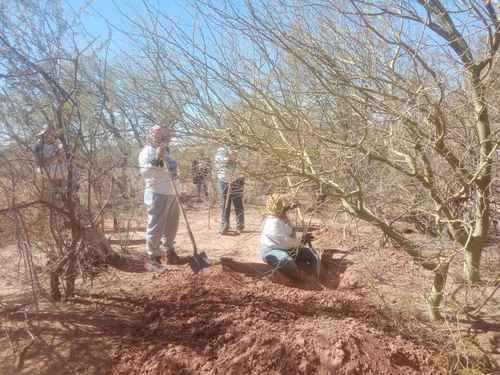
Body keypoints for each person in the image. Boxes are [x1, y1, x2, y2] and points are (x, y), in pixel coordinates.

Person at [138, 126, 182, 272]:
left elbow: (174, 171)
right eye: (158, 133)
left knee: (172, 225)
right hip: (157, 192)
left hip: (172, 192)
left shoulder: (169, 151)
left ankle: (170, 252)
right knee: (156, 226)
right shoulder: (147, 151)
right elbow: (146, 172)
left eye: (164, 133)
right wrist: (157, 157)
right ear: (151, 135)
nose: (162, 135)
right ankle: (153, 257)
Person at [260, 193, 318, 280]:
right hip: (273, 251)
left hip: (288, 249)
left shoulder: (282, 219)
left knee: (313, 254)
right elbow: (283, 241)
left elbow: (290, 233)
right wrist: (300, 242)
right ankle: (301, 278)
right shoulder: (272, 221)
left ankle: (317, 275)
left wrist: (288, 222)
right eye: (285, 208)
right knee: (286, 261)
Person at [214, 144, 245, 234]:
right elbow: (218, 161)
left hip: (237, 178)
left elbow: (244, 163)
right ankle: (224, 225)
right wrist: (229, 158)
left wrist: (236, 158)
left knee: (238, 203)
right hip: (224, 179)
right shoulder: (221, 150)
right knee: (224, 203)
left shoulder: (241, 148)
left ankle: (240, 225)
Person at [32, 126, 66, 195]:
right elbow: (39, 162)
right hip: (45, 174)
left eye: (51, 133)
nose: (49, 135)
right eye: (46, 133)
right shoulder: (38, 145)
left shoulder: (58, 142)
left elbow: (61, 157)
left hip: (59, 173)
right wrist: (53, 158)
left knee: (62, 193)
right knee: (49, 193)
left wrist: (53, 158)